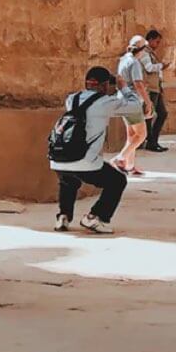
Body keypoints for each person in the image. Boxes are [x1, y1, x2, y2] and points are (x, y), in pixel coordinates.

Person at [50, 67, 130, 234]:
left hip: (59, 158)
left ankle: (63, 216)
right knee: (117, 181)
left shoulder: (71, 99)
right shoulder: (106, 103)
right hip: (85, 160)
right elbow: (135, 107)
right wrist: (123, 87)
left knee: (68, 179)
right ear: (105, 84)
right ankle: (96, 216)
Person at [114, 35, 153, 174]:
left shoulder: (123, 60)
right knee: (141, 135)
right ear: (141, 50)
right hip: (132, 101)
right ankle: (120, 158)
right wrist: (148, 102)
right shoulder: (135, 63)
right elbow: (138, 84)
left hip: (122, 99)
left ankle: (129, 165)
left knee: (131, 134)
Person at [140, 29, 171, 152]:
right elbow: (148, 68)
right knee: (149, 115)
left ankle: (153, 140)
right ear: (150, 40)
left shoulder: (151, 53)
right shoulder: (145, 53)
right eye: (157, 42)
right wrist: (161, 66)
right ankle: (150, 141)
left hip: (156, 87)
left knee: (161, 113)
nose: (158, 45)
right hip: (150, 88)